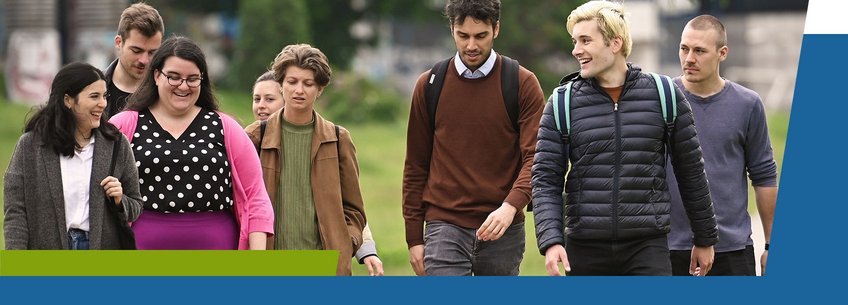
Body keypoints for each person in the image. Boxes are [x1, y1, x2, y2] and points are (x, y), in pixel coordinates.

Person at [531, 1, 718, 276]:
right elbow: (546, 177)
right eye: (575, 41)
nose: (576, 50)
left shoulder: (664, 95)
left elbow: (691, 171)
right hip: (584, 249)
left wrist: (704, 238)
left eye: (585, 40)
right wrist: (551, 240)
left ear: (615, 43)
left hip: (646, 247)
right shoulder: (562, 102)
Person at [402, 0, 545, 276]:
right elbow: (415, 165)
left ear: (496, 29)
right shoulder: (430, 84)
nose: (471, 46)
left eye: (480, 36)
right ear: (452, 29)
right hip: (444, 224)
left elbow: (536, 159)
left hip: (503, 228)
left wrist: (510, 206)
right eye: (463, 35)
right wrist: (414, 239)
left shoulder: (522, 83)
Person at [109, 36, 273, 250]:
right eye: (174, 77)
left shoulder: (226, 127)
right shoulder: (123, 125)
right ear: (157, 75)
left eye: (192, 79)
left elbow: (255, 196)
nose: (183, 86)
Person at [667, 15, 778, 276]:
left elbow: (764, 177)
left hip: (732, 250)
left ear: (722, 53)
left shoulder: (748, 104)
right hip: (669, 247)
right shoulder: (662, 98)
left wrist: (771, 246)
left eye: (699, 51)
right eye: (684, 48)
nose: (689, 58)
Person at [244, 44, 367, 275]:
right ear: (281, 85)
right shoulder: (254, 137)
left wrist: (344, 243)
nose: (298, 90)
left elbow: (355, 209)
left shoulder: (339, 139)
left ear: (319, 89)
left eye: (308, 83)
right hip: (269, 267)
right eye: (292, 82)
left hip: (323, 268)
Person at [4, 62, 143, 249]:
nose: (103, 104)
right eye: (94, 96)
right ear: (68, 100)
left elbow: (135, 207)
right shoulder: (30, 145)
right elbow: (16, 211)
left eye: (104, 96)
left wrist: (120, 200)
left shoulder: (118, 144)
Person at [105, 2, 164, 118]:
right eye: (136, 51)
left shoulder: (167, 91)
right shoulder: (91, 89)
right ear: (118, 43)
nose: (144, 60)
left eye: (152, 53)